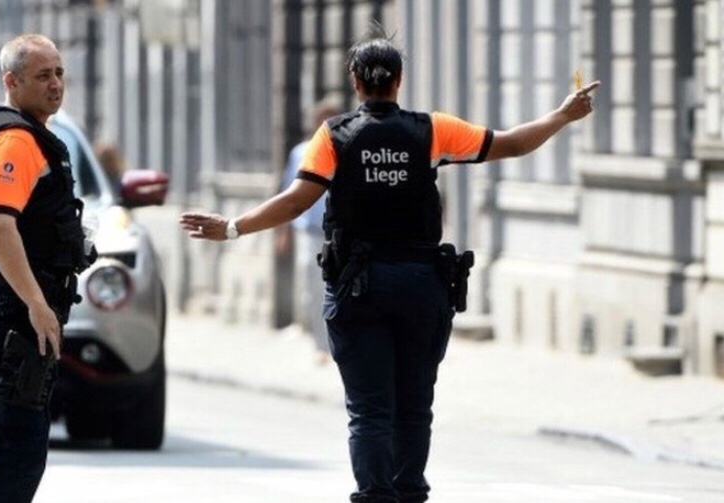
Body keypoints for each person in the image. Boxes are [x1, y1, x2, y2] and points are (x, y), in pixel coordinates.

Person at [180, 27, 600, 503]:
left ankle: (376, 495)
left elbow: (297, 201)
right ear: (399, 80)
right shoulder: (431, 130)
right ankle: (410, 493)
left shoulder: (334, 135)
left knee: (370, 409)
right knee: (415, 405)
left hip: (359, 288)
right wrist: (562, 115)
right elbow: (511, 144)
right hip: (422, 286)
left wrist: (233, 227)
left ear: (355, 81)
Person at [0, 34, 94, 503]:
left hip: (14, 308)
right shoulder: (15, 140)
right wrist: (36, 305)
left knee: (4, 437)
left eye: (59, 72)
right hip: (14, 312)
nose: (56, 84)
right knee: (18, 445)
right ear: (11, 81)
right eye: (42, 76)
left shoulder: (29, 136)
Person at [278, 96, 342, 363]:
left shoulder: (345, 149)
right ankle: (320, 345)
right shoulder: (301, 152)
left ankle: (339, 343)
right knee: (313, 288)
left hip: (339, 231)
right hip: (310, 232)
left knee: (340, 287)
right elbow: (288, 194)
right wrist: (284, 231)